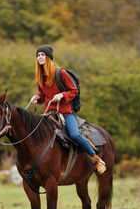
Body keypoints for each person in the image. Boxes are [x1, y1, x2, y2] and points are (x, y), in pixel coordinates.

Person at [30, 45, 106, 174]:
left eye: (42, 55)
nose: (40, 57)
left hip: (65, 112)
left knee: (74, 134)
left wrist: (62, 95)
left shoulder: (61, 73)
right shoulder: (40, 77)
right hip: (49, 113)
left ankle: (96, 159)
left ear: (48, 57)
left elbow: (74, 91)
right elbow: (44, 95)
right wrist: (37, 97)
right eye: (38, 55)